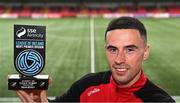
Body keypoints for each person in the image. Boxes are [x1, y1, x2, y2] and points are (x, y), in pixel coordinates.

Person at [16, 17, 175, 102]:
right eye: (113, 49)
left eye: (130, 49)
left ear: (145, 52)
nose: (119, 59)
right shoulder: (86, 85)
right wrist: (38, 100)